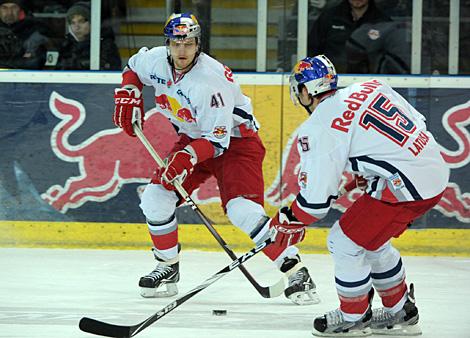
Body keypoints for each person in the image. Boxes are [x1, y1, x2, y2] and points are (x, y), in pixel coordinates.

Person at [112, 12, 318, 305]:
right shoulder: (156, 60)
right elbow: (133, 67)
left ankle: (295, 270)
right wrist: (128, 92)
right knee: (156, 198)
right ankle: (167, 267)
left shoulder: (211, 81)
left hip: (236, 143)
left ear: (198, 44)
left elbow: (217, 141)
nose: (182, 50)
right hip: (193, 138)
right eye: (176, 43)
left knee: (241, 211)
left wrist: (186, 157)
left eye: (189, 43)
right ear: (168, 43)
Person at [273, 55, 449, 335]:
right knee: (371, 242)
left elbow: (316, 200)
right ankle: (399, 310)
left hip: (407, 186)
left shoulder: (318, 127)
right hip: (434, 168)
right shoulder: (369, 86)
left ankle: (353, 316)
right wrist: (375, 167)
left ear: (306, 91)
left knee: (342, 241)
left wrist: (290, 218)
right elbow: (416, 122)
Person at [308, 0, 391, 73]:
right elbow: (313, 50)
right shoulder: (329, 17)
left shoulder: (383, 21)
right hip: (333, 81)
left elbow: (391, 57)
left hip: (371, 83)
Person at [56, 1, 121, 70]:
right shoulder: (66, 46)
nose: (76, 27)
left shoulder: (105, 45)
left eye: (81, 21)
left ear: (92, 22)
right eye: (73, 23)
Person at [0, 0, 49, 69]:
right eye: (4, 8)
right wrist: (20, 60)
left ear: (20, 10)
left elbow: (34, 62)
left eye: (14, 7)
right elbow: (25, 62)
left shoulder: (34, 31)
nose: (9, 12)